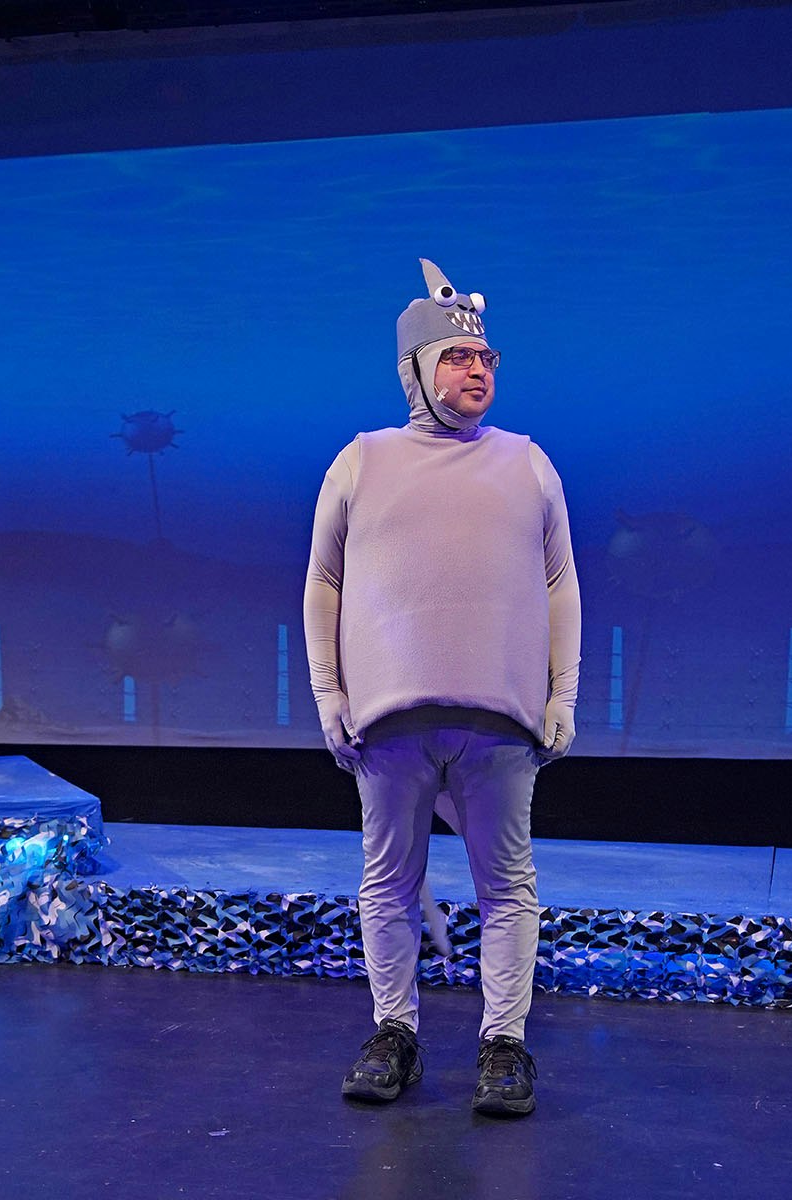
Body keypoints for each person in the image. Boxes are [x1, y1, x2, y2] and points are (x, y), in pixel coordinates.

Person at [302, 259, 580, 1117]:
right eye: (461, 357)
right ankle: (396, 1033)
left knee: (508, 885)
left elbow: (559, 583)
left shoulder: (529, 464)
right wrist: (328, 694)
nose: (479, 371)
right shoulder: (360, 462)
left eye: (488, 359)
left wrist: (560, 693)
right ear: (417, 369)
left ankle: (504, 1043)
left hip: (497, 724)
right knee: (387, 882)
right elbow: (324, 583)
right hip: (391, 724)